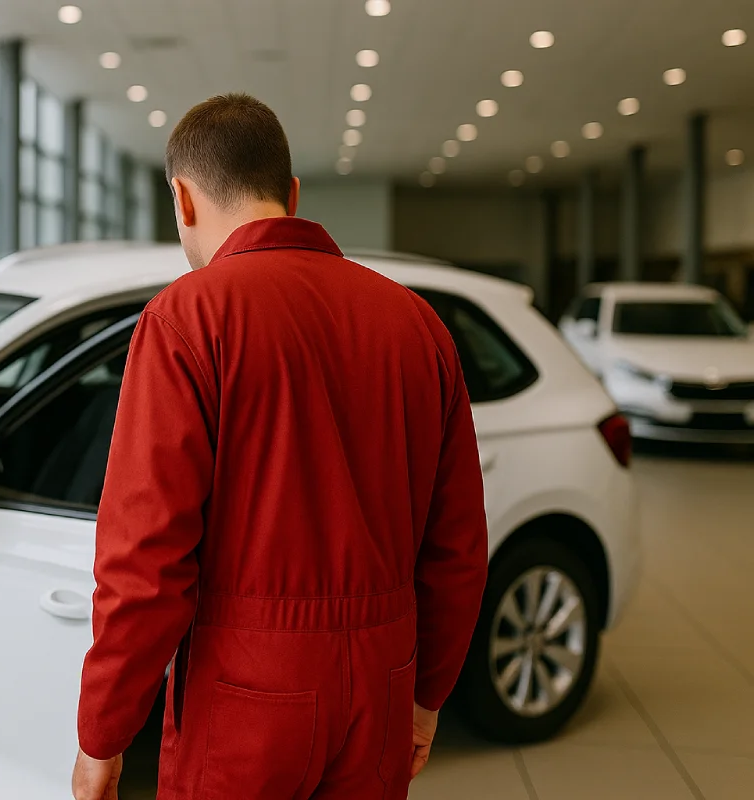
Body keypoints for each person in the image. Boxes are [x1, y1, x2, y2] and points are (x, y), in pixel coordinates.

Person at [72, 93, 489, 800]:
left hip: (245, 693)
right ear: (292, 195)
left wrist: (102, 736)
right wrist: (425, 697)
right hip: (382, 685)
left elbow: (145, 560)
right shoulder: (417, 325)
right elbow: (457, 549)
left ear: (182, 197)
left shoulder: (187, 318)